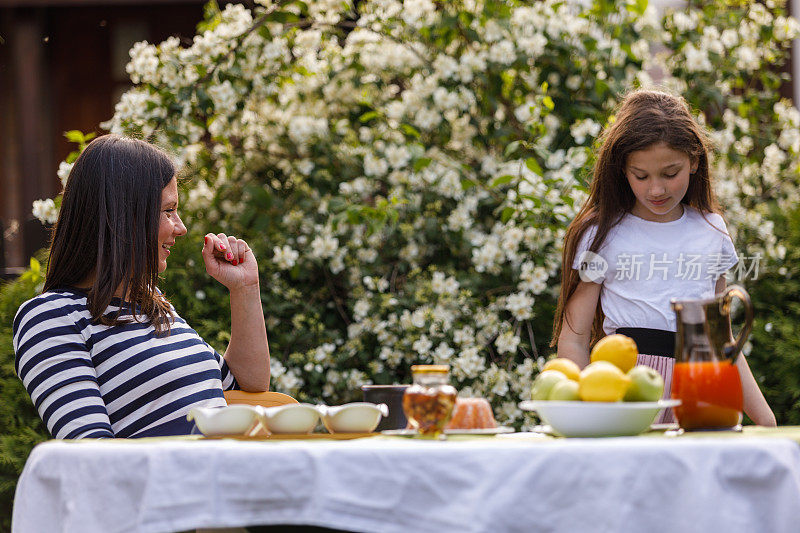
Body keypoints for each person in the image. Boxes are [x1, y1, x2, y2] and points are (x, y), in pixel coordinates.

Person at [12, 134, 270, 438]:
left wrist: (245, 288)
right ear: (125, 215)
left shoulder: (151, 303)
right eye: (169, 211)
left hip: (225, 478)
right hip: (174, 484)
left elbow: (247, 382)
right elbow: (92, 455)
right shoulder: (51, 318)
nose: (181, 227)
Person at [551, 89, 776, 426]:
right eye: (640, 176)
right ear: (622, 169)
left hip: (703, 389)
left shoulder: (711, 230)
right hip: (627, 393)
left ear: (694, 161)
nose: (656, 189)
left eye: (670, 173)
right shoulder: (603, 232)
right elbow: (575, 337)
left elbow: (721, 340)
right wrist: (588, 415)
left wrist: (766, 422)